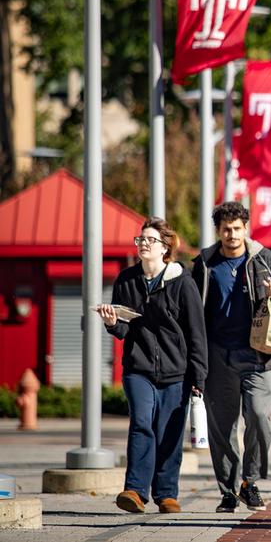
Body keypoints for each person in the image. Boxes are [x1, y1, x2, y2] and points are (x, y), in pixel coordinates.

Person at [98, 217, 208, 514]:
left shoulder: (183, 283)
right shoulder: (126, 280)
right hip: (138, 367)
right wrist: (111, 323)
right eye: (141, 239)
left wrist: (199, 375)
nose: (144, 244)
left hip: (177, 372)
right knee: (142, 424)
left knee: (169, 433)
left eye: (150, 240)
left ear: (165, 248)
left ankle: (166, 494)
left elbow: (197, 333)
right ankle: (134, 490)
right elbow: (123, 331)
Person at [192, 201, 271, 514]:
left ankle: (250, 480)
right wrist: (196, 363)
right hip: (217, 356)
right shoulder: (205, 264)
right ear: (218, 231)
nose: (232, 234)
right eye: (226, 229)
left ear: (245, 228)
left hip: (258, 354)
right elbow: (192, 312)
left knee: (260, 418)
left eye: (237, 228)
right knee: (222, 428)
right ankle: (228, 489)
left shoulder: (265, 259)